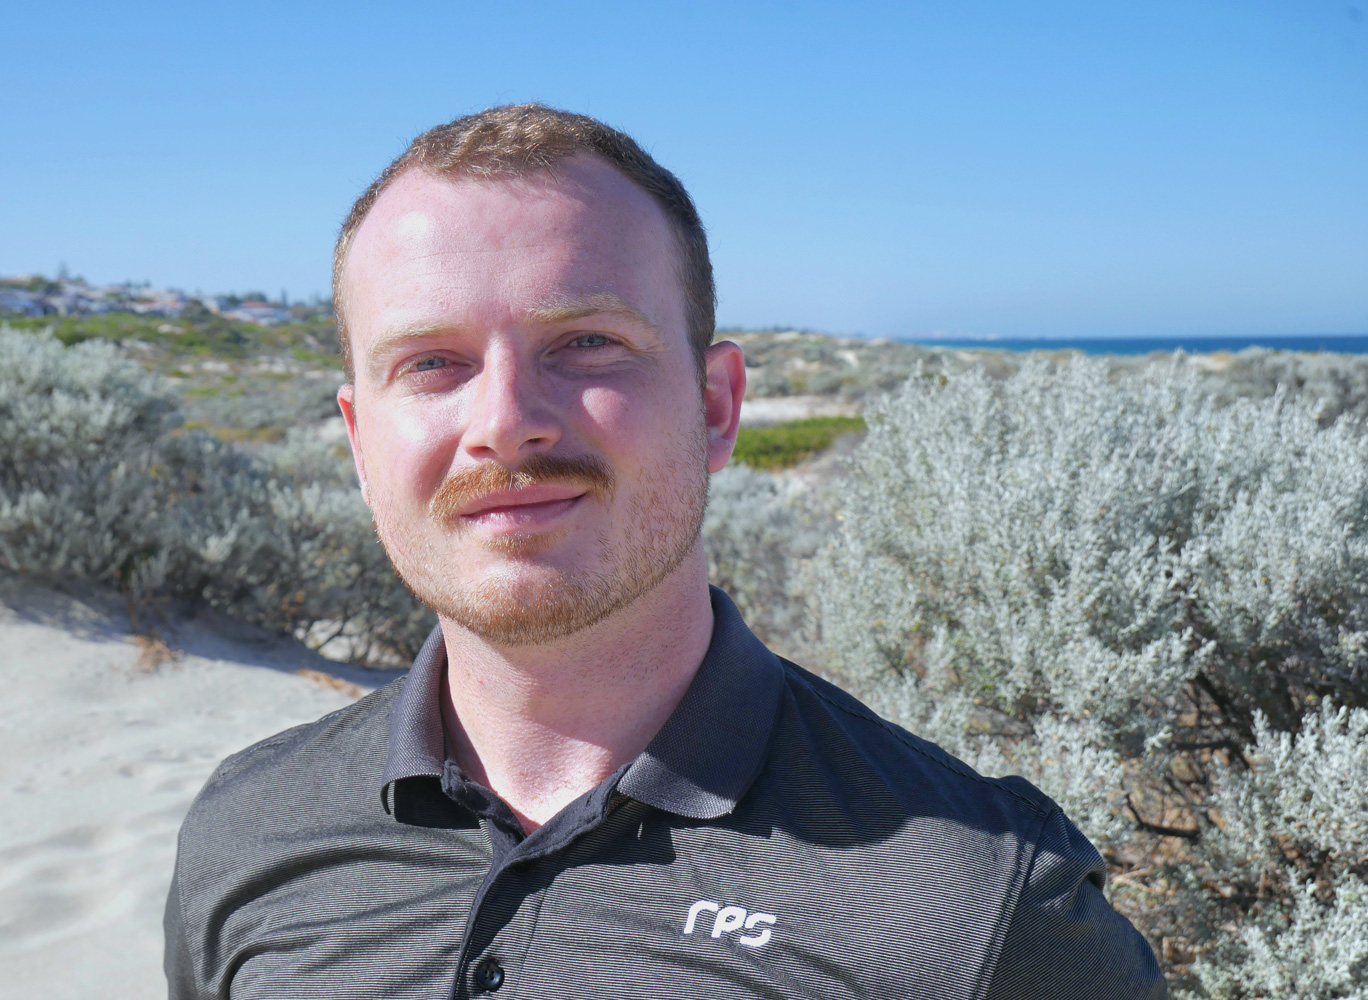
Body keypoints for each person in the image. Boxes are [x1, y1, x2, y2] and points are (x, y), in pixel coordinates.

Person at [165, 104, 1166, 999]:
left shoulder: (975, 906)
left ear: (716, 405)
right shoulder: (249, 830)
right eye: (432, 363)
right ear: (358, 440)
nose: (505, 424)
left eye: (587, 343)